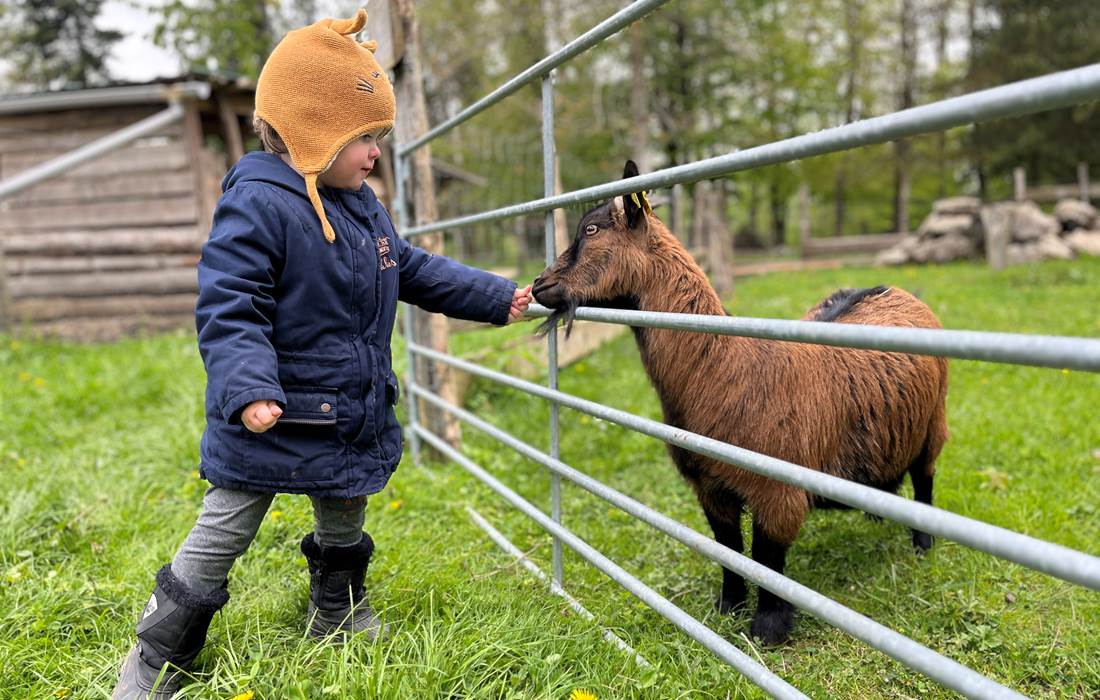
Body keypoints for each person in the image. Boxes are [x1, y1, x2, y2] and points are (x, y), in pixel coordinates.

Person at [112, 9, 532, 698]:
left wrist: (494, 296)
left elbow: (411, 268)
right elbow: (229, 304)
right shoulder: (258, 206)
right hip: (270, 413)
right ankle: (157, 657)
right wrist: (249, 389)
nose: (374, 153)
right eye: (363, 137)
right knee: (223, 533)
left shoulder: (361, 205)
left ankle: (335, 612)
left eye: (378, 138)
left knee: (345, 516)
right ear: (312, 131)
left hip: (345, 410)